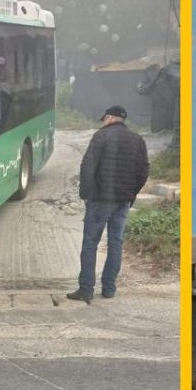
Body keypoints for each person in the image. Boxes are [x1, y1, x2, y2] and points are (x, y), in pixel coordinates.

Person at [67, 105, 149, 303]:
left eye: (105, 119)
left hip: (100, 200)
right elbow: (143, 171)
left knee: (90, 244)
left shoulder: (101, 137)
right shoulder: (137, 140)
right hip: (123, 201)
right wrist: (131, 194)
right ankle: (109, 289)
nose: (104, 122)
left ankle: (86, 290)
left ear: (111, 118)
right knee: (115, 244)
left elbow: (87, 167)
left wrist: (86, 194)